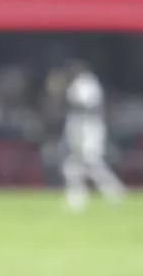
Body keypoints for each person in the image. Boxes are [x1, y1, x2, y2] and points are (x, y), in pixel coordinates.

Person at [53, 60, 126, 211]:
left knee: (91, 162)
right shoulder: (77, 83)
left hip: (89, 127)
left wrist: (61, 93)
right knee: (72, 164)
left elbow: (86, 106)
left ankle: (114, 191)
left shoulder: (86, 82)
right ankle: (77, 199)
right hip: (78, 126)